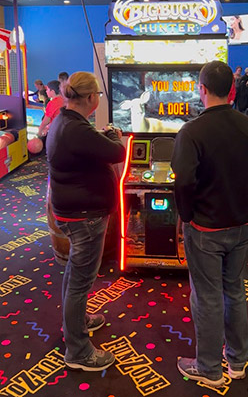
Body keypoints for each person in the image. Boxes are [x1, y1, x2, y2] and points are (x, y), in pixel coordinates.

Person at [171, 60, 248, 387]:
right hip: (241, 223)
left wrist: (186, 217)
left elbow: (183, 182)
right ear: (231, 90)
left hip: (205, 229)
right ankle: (238, 362)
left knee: (208, 297)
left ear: (201, 89)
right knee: (235, 292)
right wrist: (236, 195)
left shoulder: (191, 131)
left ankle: (209, 368)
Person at [46, 71, 126, 371]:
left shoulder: (65, 120)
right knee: (80, 281)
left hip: (73, 210)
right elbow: (117, 152)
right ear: (91, 98)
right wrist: (116, 137)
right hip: (84, 216)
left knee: (74, 275)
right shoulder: (75, 129)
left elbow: (89, 147)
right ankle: (78, 351)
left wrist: (103, 137)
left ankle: (77, 322)